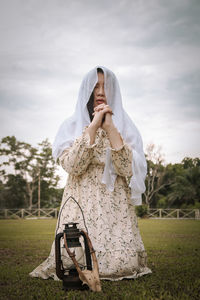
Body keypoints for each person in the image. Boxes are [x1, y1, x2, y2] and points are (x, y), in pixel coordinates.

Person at [29, 66, 152, 281]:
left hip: (115, 206)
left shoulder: (126, 127)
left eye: (106, 86)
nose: (101, 92)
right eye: (96, 86)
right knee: (73, 261)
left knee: (123, 264)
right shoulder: (71, 126)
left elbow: (126, 169)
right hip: (81, 202)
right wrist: (94, 127)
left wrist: (111, 128)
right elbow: (74, 166)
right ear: (86, 90)